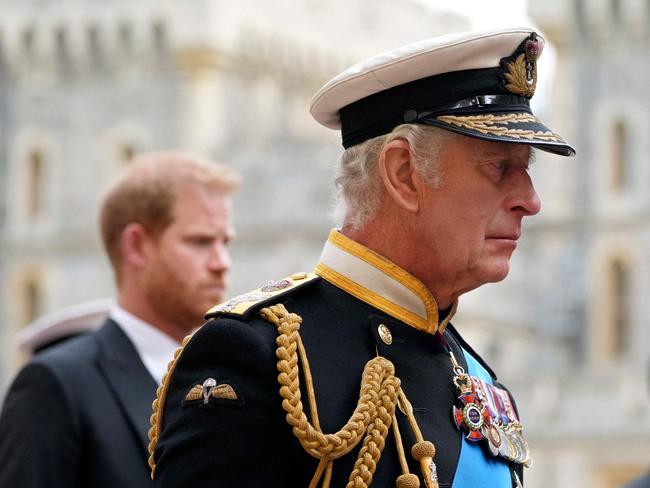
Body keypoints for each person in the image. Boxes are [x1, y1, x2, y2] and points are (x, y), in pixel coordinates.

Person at [149, 28, 574, 488]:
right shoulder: (259, 356)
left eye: (526, 171)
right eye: (500, 168)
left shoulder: (469, 368)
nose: (530, 201)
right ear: (404, 173)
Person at [0, 152, 240, 488]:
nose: (222, 262)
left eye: (225, 242)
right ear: (137, 245)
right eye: (200, 242)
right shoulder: (56, 385)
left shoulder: (233, 376)